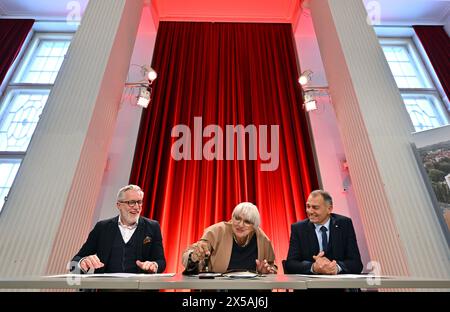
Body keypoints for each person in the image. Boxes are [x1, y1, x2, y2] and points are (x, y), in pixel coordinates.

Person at [71, 184, 166, 274]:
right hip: (106, 287)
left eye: (139, 202)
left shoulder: (153, 227)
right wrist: (83, 262)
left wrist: (154, 265)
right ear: (119, 205)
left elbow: (161, 261)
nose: (137, 207)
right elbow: (76, 260)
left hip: (140, 288)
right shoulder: (102, 227)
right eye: (131, 202)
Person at [182, 202, 277, 274]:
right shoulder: (217, 230)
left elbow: (272, 268)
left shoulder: (262, 239)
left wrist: (265, 271)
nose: (240, 224)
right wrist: (194, 256)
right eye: (237, 218)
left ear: (254, 227)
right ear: (232, 218)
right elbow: (187, 256)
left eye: (247, 222)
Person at [285, 190, 363, 275]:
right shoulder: (298, 228)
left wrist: (336, 267)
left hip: (340, 285)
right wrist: (313, 267)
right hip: (312, 286)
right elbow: (290, 265)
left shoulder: (344, 224)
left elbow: (356, 263)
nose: (310, 211)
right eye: (308, 206)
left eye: (315, 207)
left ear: (329, 209)